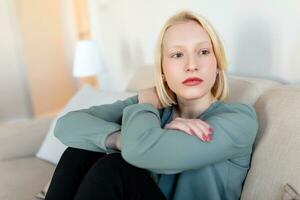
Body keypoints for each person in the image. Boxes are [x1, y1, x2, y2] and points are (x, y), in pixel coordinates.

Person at [45, 10, 258, 200]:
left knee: (116, 168)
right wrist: (120, 139)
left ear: (218, 64)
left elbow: (139, 151)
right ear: (163, 72)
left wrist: (143, 118)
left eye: (203, 52)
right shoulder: (156, 107)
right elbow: (66, 125)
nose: (192, 65)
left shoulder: (239, 120)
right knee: (81, 152)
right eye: (177, 55)